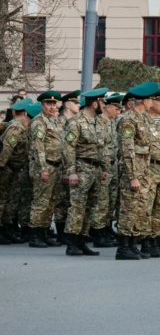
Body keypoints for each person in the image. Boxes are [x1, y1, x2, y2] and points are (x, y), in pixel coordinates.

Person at [61, 88, 110, 256]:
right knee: (77, 206)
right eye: (102, 102)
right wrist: (71, 171)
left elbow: (101, 147)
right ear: (94, 103)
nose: (104, 106)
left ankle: (82, 241)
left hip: (95, 169)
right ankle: (71, 242)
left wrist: (104, 167)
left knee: (89, 207)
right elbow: (68, 148)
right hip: (81, 168)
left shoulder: (98, 122)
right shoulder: (76, 122)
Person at [114, 82, 158, 261]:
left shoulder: (145, 118)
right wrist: (133, 176)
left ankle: (133, 244)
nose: (152, 103)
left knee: (140, 208)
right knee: (128, 207)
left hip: (144, 168)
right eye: (151, 100)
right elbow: (127, 148)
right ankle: (123, 247)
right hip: (132, 169)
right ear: (145, 101)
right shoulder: (128, 119)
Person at [27, 91, 66, 248]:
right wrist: (43, 168)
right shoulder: (39, 122)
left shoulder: (55, 121)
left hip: (56, 166)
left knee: (51, 202)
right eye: (48, 104)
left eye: (54, 104)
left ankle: (44, 233)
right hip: (44, 166)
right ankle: (34, 235)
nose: (52, 107)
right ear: (42, 106)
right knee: (40, 202)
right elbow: (38, 147)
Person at [0, 99, 34, 244]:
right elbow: (6, 150)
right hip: (5, 168)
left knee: (8, 201)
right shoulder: (16, 129)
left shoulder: (24, 128)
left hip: (13, 169)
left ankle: (6, 230)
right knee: (1, 200)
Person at [91, 93, 122, 248]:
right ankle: (98, 233)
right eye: (116, 109)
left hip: (113, 166)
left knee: (110, 200)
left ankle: (106, 228)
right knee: (101, 202)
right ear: (108, 107)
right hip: (103, 166)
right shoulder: (98, 122)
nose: (119, 112)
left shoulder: (112, 123)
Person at [53, 90, 81, 242]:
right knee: (62, 201)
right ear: (67, 105)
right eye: (76, 102)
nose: (79, 105)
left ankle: (71, 232)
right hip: (64, 167)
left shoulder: (76, 121)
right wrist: (66, 170)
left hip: (77, 167)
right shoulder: (61, 122)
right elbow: (61, 148)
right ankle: (61, 233)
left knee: (73, 201)